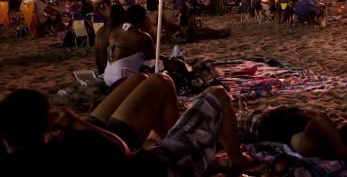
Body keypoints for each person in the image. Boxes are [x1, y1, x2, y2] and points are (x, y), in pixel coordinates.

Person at [0, 73, 253, 176]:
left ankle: (178, 136)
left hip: (97, 149)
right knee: (216, 94)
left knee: (141, 78)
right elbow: (121, 151)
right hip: (149, 166)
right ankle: (236, 162)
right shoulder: (61, 152)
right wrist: (78, 126)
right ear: (46, 125)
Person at [245, 105, 347, 161]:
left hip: (260, 121)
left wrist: (342, 149)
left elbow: (320, 119)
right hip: (287, 112)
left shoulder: (310, 145)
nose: (346, 119)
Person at [103, 4, 155, 88]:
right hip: (122, 78)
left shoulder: (115, 31)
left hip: (107, 76)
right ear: (142, 19)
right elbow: (153, 60)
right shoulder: (142, 36)